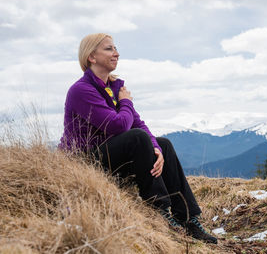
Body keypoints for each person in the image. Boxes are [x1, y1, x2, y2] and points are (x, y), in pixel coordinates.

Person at [59, 33, 217, 244]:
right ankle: (159, 210)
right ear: (92, 57)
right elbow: (117, 126)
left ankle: (188, 218)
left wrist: (156, 150)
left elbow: (137, 123)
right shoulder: (82, 90)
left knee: (164, 144)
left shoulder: (114, 88)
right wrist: (126, 102)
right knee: (136, 137)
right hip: (85, 160)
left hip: (110, 154)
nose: (116, 53)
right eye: (109, 48)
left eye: (115, 48)